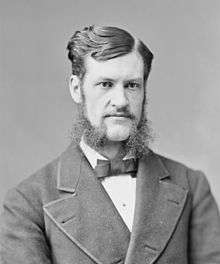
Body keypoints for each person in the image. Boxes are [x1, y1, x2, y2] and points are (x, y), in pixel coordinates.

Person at [1, 25, 220, 264]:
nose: (121, 101)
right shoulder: (26, 202)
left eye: (132, 85)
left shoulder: (191, 186)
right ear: (77, 89)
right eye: (106, 84)